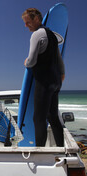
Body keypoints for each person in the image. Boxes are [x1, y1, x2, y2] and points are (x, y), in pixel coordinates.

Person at [22, 8, 65, 147]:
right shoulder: (52, 35)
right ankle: (61, 148)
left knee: (38, 118)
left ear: (36, 19)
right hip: (56, 81)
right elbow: (59, 59)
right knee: (53, 117)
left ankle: (40, 152)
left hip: (44, 82)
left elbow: (32, 61)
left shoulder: (37, 34)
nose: (26, 25)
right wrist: (61, 75)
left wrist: (26, 61)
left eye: (28, 22)